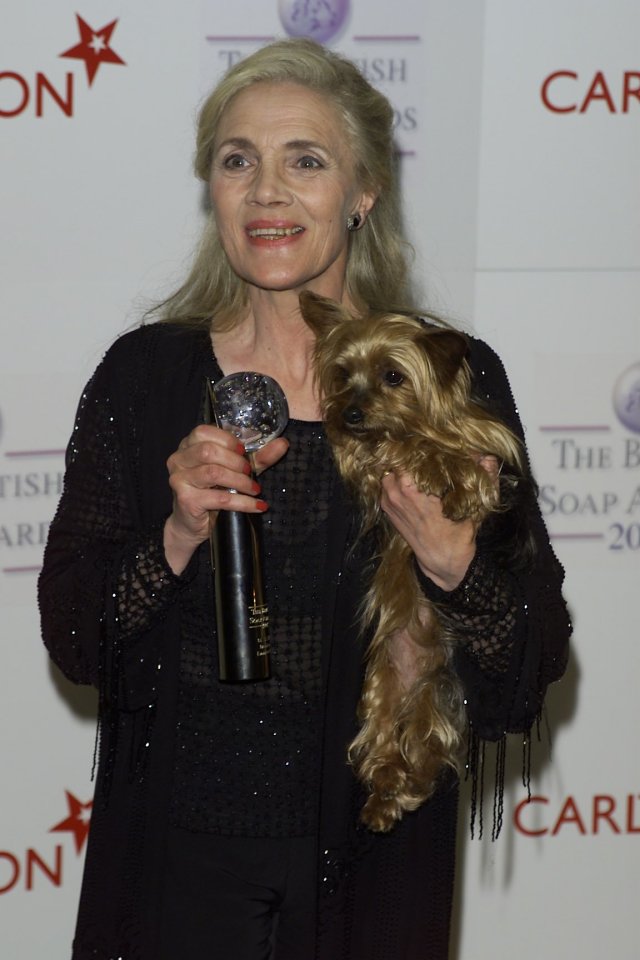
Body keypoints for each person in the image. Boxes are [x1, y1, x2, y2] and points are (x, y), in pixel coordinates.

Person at [39, 37, 571, 960]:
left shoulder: (444, 377)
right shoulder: (144, 378)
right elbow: (76, 636)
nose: (267, 192)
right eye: (238, 160)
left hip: (374, 857)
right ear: (211, 187)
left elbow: (535, 658)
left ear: (364, 192)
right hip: (176, 861)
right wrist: (174, 537)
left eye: (306, 162)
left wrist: (453, 563)